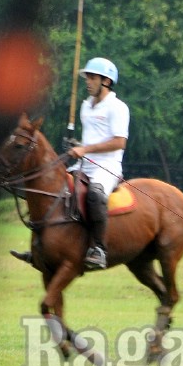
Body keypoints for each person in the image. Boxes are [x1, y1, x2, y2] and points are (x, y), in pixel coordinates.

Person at [68, 57, 130, 270]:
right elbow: (92, 138)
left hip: (107, 167)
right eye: (87, 77)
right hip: (84, 165)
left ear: (106, 81)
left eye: (92, 77)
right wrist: (78, 145)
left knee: (94, 195)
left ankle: (99, 249)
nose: (88, 82)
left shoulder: (117, 107)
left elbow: (119, 142)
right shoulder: (86, 105)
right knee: (56, 186)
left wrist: (85, 149)